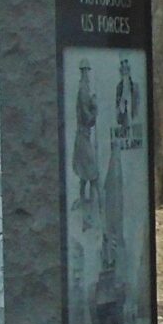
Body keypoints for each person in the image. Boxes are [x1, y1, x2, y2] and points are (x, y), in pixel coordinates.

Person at [71, 59, 100, 211]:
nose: (87, 74)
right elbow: (87, 118)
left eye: (87, 71)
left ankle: (86, 202)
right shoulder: (83, 90)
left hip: (84, 136)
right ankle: (93, 204)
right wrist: (95, 107)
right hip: (83, 137)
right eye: (86, 71)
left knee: (85, 173)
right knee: (92, 173)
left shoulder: (85, 88)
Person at [116, 58, 140, 126]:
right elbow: (117, 107)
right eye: (123, 70)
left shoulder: (135, 86)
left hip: (134, 119)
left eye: (126, 69)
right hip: (124, 121)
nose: (125, 72)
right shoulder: (119, 87)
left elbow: (137, 103)